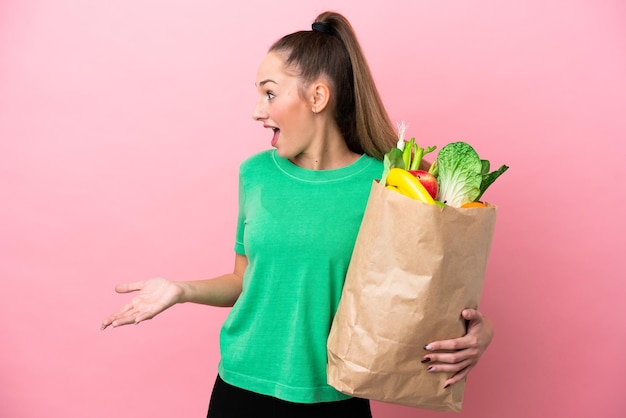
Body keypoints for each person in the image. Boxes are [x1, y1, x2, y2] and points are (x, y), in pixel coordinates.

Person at [101, 11, 494, 418]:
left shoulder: (391, 186)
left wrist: (481, 332)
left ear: (317, 97)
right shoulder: (255, 175)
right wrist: (181, 290)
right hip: (240, 389)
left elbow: (419, 294)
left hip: (337, 397)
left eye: (269, 94)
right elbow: (243, 280)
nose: (257, 111)